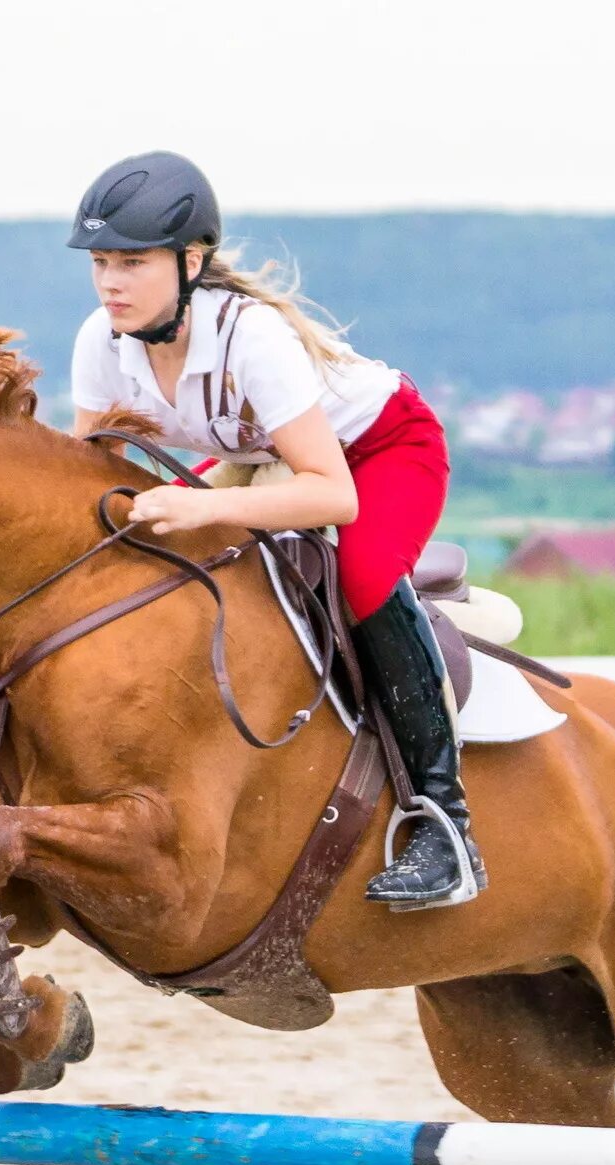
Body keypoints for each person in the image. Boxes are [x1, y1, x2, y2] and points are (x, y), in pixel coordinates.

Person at [66, 151, 480, 908]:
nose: (111, 283)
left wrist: (200, 505)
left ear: (191, 261)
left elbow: (332, 495)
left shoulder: (249, 337)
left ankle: (444, 827)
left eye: (132, 262)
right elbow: (92, 477)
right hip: (263, 464)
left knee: (359, 576)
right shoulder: (101, 342)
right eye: (100, 263)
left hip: (376, 455)